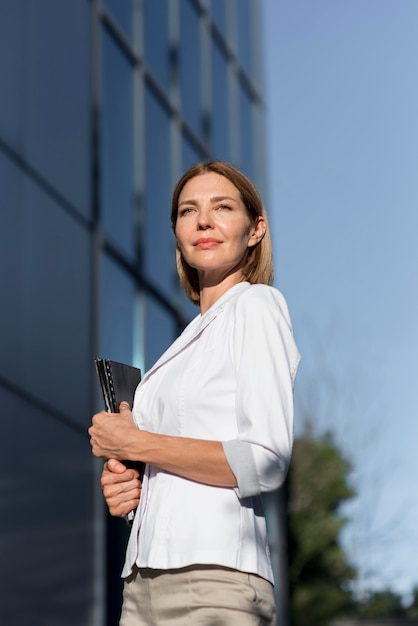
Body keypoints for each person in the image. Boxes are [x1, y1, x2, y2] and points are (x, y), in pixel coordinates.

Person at [89, 160, 300, 625]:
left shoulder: (256, 306)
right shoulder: (183, 346)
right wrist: (132, 484)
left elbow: (265, 459)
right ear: (178, 233)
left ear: (255, 229)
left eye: (222, 206)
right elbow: (177, 458)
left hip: (214, 580)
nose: (203, 220)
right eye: (188, 210)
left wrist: (135, 443)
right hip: (142, 582)